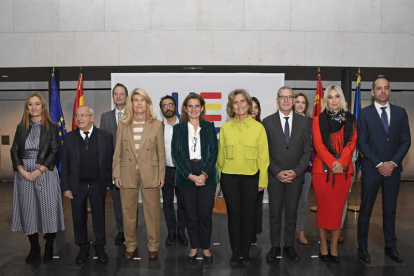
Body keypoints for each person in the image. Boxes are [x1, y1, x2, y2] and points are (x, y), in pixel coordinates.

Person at [357, 76, 411, 263]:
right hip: (372, 169)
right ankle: (362, 247)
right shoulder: (364, 114)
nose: (383, 91)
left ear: (389, 91)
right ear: (372, 92)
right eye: (379, 88)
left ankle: (390, 246)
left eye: (386, 88)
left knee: (390, 210)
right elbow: (362, 142)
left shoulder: (400, 113)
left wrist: (393, 163)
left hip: (393, 171)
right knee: (366, 210)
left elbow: (406, 141)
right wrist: (380, 164)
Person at [10, 93, 65, 264]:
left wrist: (38, 171)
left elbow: (55, 151)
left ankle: (49, 245)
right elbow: (14, 150)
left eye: (37, 104)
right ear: (27, 107)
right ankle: (34, 247)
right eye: (30, 104)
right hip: (23, 175)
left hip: (45, 173)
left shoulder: (52, 127)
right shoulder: (21, 127)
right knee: (28, 211)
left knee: (48, 211)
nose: (34, 107)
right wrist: (22, 170)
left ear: (43, 107)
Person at [217, 89, 269, 266]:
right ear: (231, 106)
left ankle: (246, 252)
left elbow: (263, 157)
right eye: (235, 102)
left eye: (242, 102)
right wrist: (219, 180)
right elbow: (220, 156)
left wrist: (263, 180)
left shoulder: (258, 128)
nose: (239, 105)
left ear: (248, 104)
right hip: (229, 178)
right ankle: (235, 252)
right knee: (233, 216)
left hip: (251, 179)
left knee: (247, 216)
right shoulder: (225, 128)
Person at [113, 88, 166, 261]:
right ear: (131, 103)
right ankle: (130, 245)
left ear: (148, 103)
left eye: (142, 100)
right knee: (128, 211)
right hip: (127, 171)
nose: (139, 103)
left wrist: (161, 175)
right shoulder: (124, 123)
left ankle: (153, 245)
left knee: (152, 212)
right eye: (136, 100)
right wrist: (116, 173)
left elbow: (161, 153)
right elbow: (118, 150)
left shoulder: (156, 124)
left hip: (150, 172)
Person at [263, 86, 311, 263]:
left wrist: (296, 172)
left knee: (291, 213)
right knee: (274, 213)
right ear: (277, 100)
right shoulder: (267, 122)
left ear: (292, 100)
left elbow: (307, 151)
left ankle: (289, 246)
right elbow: (264, 152)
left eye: (289, 97)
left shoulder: (303, 122)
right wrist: (276, 172)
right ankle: (275, 246)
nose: (286, 100)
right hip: (275, 177)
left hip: (295, 177)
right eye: (282, 97)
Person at [61, 105, 113, 264]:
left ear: (91, 118)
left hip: (98, 184)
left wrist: (108, 181)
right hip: (77, 185)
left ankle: (100, 247)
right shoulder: (69, 138)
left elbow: (110, 161)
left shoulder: (105, 136)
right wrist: (66, 187)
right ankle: (83, 248)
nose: (79, 118)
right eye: (77, 115)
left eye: (83, 115)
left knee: (99, 217)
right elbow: (65, 164)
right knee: (78, 218)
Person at [171, 93, 219, 264]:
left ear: (202, 108)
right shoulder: (178, 128)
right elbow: (175, 155)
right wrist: (191, 176)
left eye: (197, 106)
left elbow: (214, 152)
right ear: (185, 108)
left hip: (207, 174)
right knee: (190, 215)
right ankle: (194, 247)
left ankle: (205, 247)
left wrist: (204, 174)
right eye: (190, 106)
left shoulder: (209, 126)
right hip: (186, 175)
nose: (193, 109)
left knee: (205, 214)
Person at [312, 85, 357, 262]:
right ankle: (323, 244)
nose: (334, 100)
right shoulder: (317, 120)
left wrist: (341, 163)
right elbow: (319, 145)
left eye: (337, 96)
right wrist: (333, 163)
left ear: (342, 100)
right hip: (322, 172)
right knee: (323, 208)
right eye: (330, 97)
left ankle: (334, 246)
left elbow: (351, 144)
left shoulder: (351, 120)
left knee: (338, 210)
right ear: (326, 101)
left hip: (344, 172)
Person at [100, 83, 128, 245]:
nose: (118, 96)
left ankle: (130, 229)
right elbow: (103, 143)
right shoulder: (105, 116)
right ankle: (121, 230)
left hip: (131, 165)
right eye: (115, 94)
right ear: (113, 97)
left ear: (126, 97)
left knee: (130, 201)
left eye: (121, 94)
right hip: (113, 166)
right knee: (116, 200)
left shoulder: (133, 115)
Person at [160, 95, 188, 246]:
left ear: (175, 107)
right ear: (161, 109)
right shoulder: (158, 127)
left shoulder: (185, 125)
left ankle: (181, 232)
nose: (168, 108)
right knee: (167, 203)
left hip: (182, 170)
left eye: (170, 105)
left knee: (183, 203)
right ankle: (171, 231)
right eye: (165, 106)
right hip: (165, 170)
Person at [293, 92, 315, 245]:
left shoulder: (312, 123)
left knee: (303, 201)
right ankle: (290, 230)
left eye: (303, 102)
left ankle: (300, 230)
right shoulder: (287, 121)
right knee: (290, 202)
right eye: (297, 102)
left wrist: (309, 161)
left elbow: (314, 146)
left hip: (307, 168)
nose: (300, 105)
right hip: (290, 170)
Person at [250, 97, 264, 245]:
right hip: (243, 171)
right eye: (251, 107)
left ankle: (253, 232)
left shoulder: (263, 126)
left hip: (259, 172)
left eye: (256, 107)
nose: (253, 110)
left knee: (256, 205)